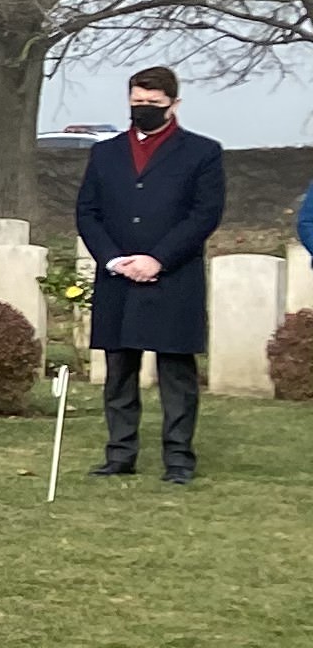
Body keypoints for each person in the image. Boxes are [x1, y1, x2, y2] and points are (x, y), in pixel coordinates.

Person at [77, 63, 225, 483]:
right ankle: (120, 454)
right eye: (137, 101)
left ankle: (178, 459)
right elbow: (88, 211)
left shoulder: (202, 152)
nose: (143, 108)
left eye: (153, 102)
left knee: (176, 374)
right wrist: (112, 259)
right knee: (119, 372)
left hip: (173, 276)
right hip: (118, 277)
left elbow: (204, 214)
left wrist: (158, 258)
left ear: (173, 104)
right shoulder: (105, 153)